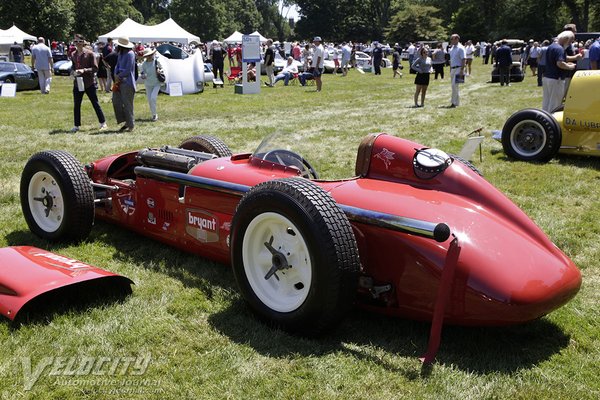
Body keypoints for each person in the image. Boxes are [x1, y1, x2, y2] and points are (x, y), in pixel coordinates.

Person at [69, 34, 107, 132]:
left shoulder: (90, 54)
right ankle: (76, 125)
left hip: (89, 82)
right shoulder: (73, 54)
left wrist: (84, 70)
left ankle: (103, 123)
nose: (78, 43)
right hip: (78, 82)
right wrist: (73, 72)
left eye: (79, 41)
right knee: (76, 104)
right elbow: (73, 66)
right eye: (75, 41)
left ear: (83, 42)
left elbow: (95, 68)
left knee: (95, 103)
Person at [542, 31, 577, 112]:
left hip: (547, 77)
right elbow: (560, 63)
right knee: (555, 103)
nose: (570, 44)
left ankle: (544, 118)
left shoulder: (551, 46)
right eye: (570, 41)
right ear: (566, 39)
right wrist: (570, 67)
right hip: (556, 79)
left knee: (546, 101)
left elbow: (556, 61)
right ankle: (553, 121)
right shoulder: (559, 49)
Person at [112, 36, 137, 132]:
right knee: (116, 101)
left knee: (127, 104)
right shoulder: (120, 54)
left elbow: (128, 69)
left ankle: (131, 124)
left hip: (127, 82)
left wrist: (120, 76)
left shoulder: (130, 54)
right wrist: (115, 74)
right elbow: (117, 66)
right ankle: (125, 120)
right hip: (118, 81)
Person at [140, 48, 161, 121]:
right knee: (149, 100)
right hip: (148, 84)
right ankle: (154, 114)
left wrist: (159, 71)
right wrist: (143, 75)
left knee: (153, 98)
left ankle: (155, 115)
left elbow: (163, 69)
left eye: (151, 54)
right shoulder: (144, 64)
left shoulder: (156, 61)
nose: (150, 56)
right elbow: (142, 72)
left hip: (156, 83)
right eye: (148, 55)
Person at [448, 34, 465, 107]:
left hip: (458, 68)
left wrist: (462, 70)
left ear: (457, 39)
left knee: (454, 85)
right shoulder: (452, 48)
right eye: (451, 39)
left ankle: (453, 102)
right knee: (454, 86)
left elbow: (463, 59)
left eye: (452, 39)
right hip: (453, 68)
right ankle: (456, 102)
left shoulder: (461, 48)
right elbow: (451, 59)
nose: (451, 40)